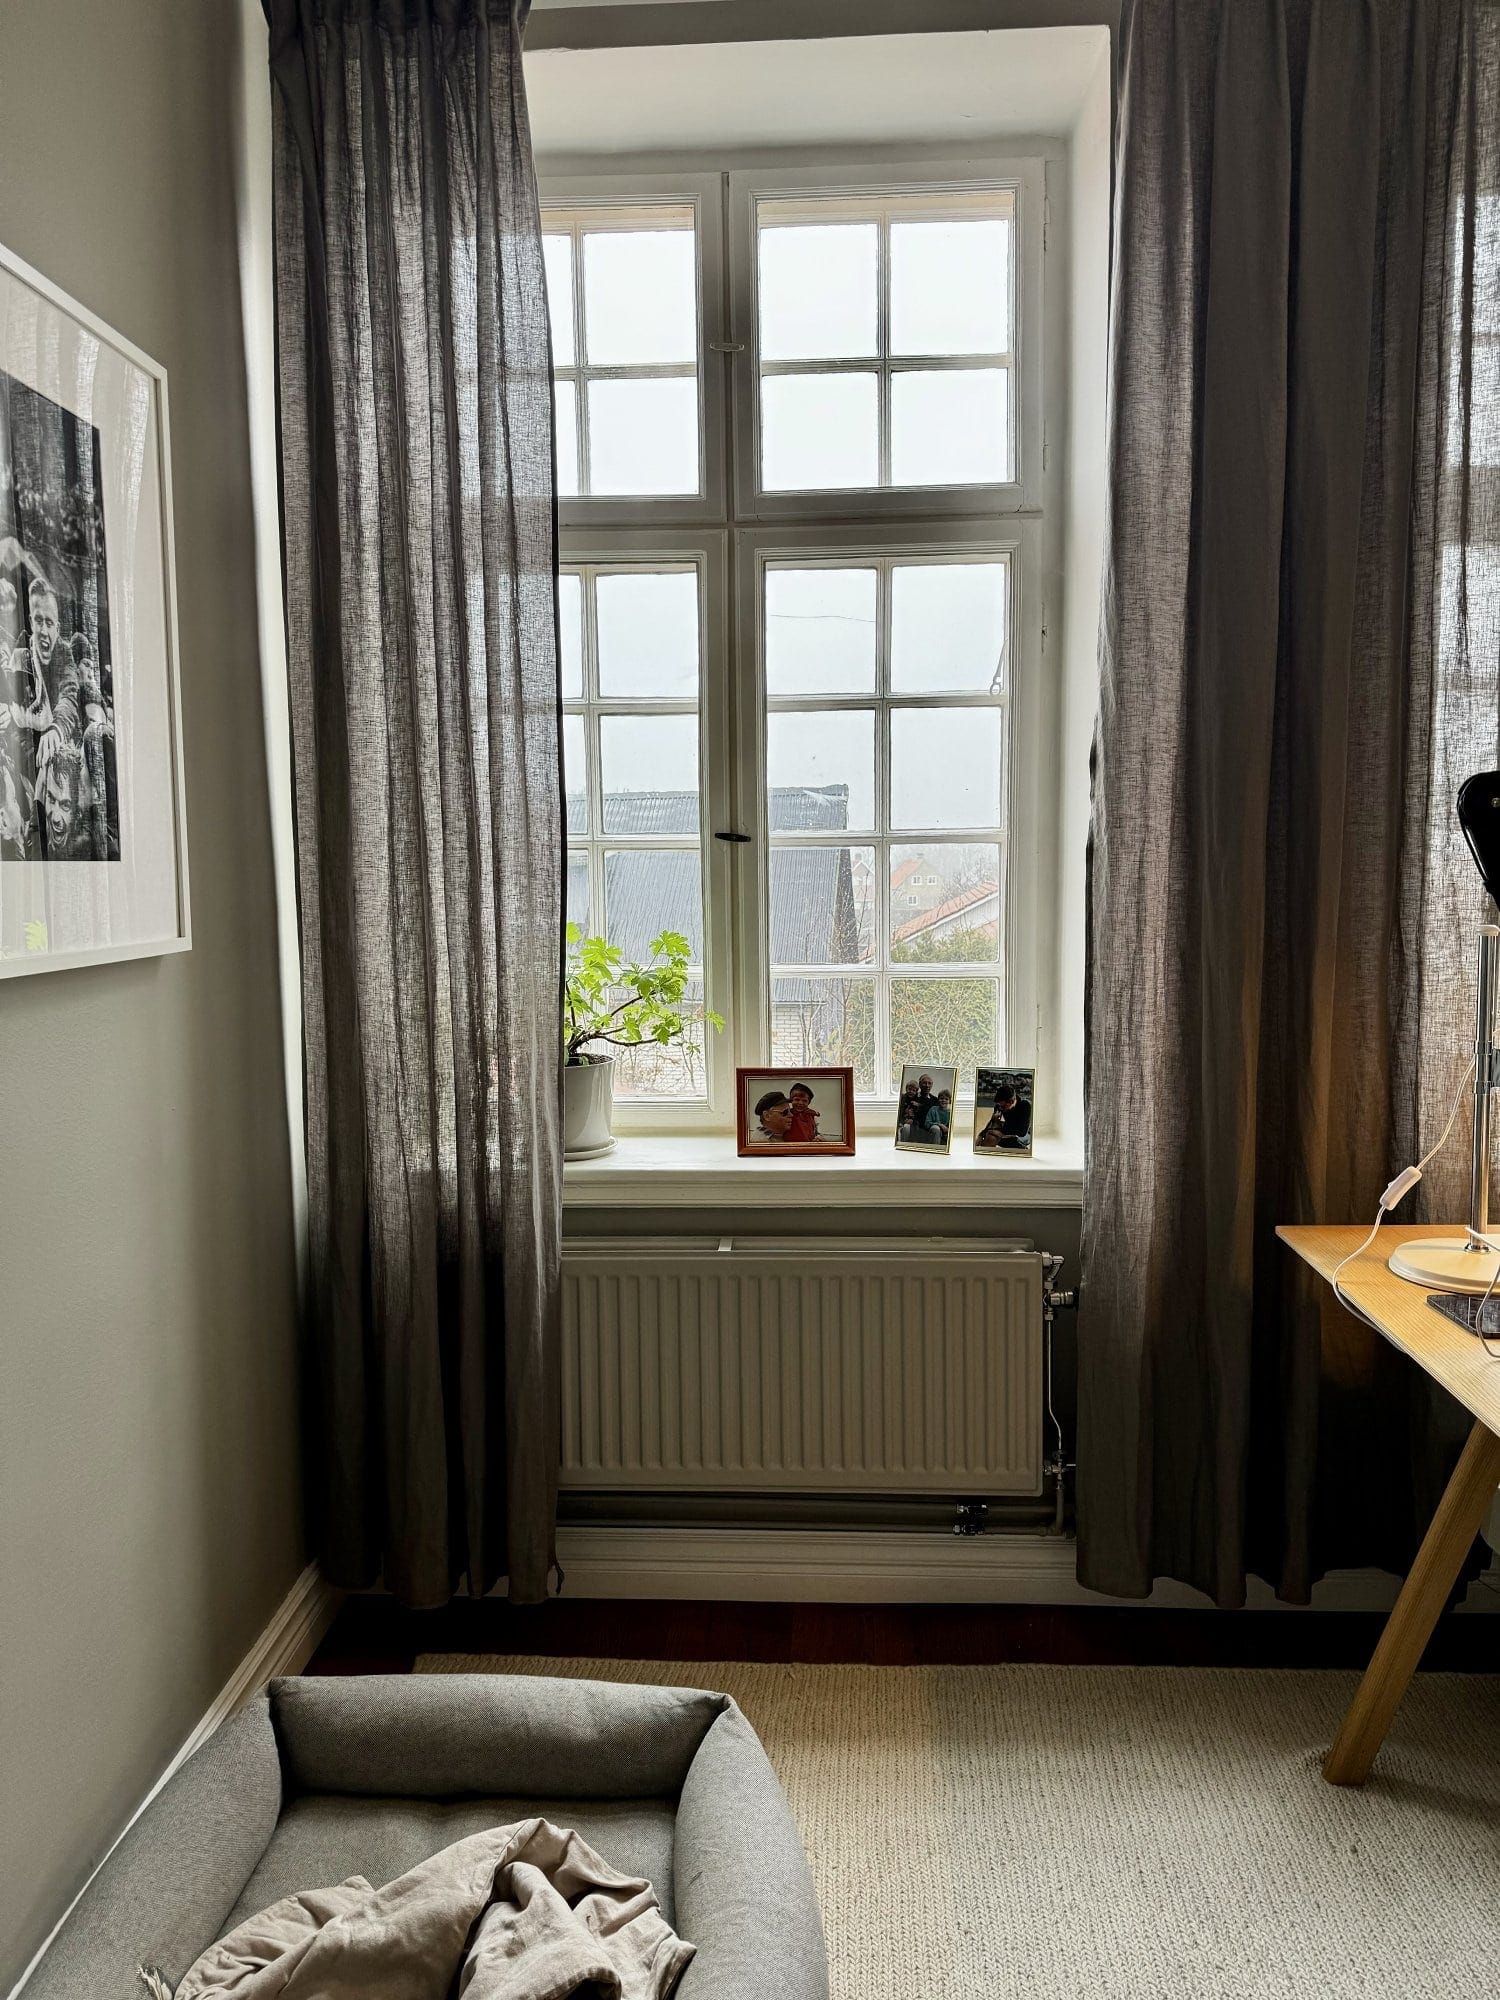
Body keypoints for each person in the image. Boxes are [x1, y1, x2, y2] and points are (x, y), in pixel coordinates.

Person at [977, 1080, 1032, 1151]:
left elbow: (1022, 1132)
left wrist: (1000, 1132)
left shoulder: (1025, 1105)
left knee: (998, 1137)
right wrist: (981, 1134)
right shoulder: (999, 1106)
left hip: (1025, 1134)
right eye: (999, 1105)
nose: (1000, 1108)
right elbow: (992, 1122)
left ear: (1011, 1102)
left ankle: (1022, 1149)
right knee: (989, 1137)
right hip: (1008, 1130)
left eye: (1003, 1107)